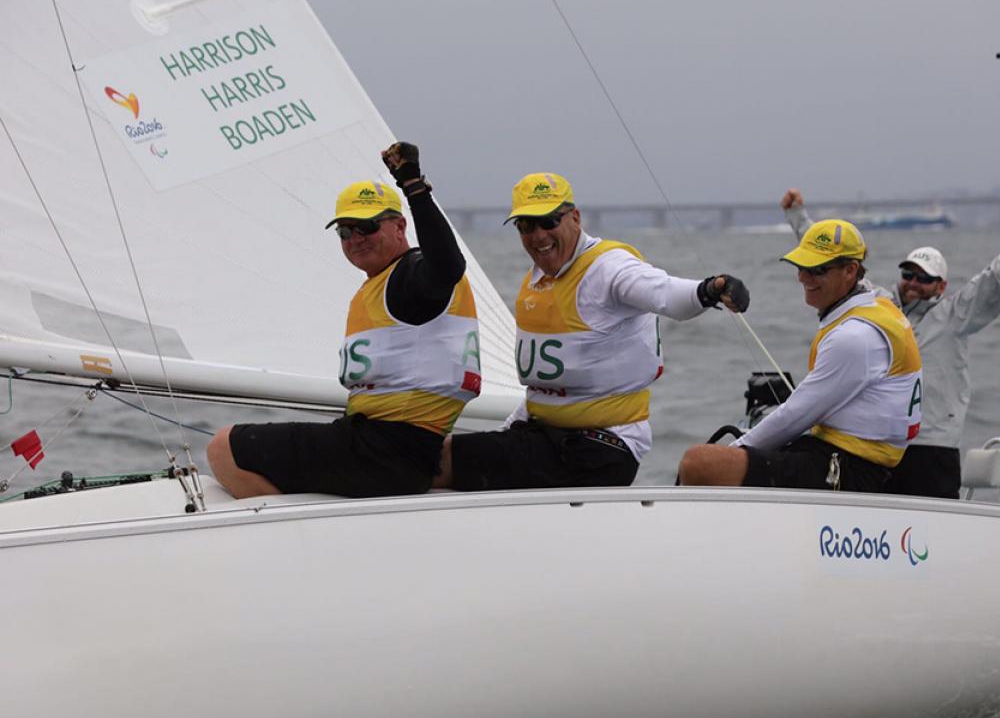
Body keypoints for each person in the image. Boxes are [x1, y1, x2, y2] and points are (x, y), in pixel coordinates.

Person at [432, 172, 750, 490]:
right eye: (526, 226)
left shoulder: (608, 268)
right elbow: (542, 393)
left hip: (600, 447)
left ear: (575, 218)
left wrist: (710, 289)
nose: (538, 235)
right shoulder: (538, 279)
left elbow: (667, 295)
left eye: (548, 221)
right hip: (546, 437)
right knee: (434, 454)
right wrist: (507, 428)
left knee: (436, 464)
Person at [206, 142, 481, 498]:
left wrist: (413, 185)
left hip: (386, 452)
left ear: (400, 226)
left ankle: (294, 541)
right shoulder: (379, 283)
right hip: (391, 450)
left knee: (224, 447)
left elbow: (447, 265)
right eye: (344, 232)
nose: (355, 239)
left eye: (365, 227)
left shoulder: (413, 277)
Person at [778, 188, 1000, 498]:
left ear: (942, 285)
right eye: (908, 274)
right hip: (878, 447)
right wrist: (797, 216)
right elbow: (832, 262)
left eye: (924, 278)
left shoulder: (957, 314)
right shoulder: (877, 305)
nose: (913, 282)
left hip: (933, 448)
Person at [677, 219, 922, 492]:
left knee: (699, 463)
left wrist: (731, 452)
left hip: (853, 469)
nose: (803, 278)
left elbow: (795, 416)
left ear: (850, 271)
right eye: (802, 266)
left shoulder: (854, 337)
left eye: (817, 270)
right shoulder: (878, 301)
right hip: (842, 453)